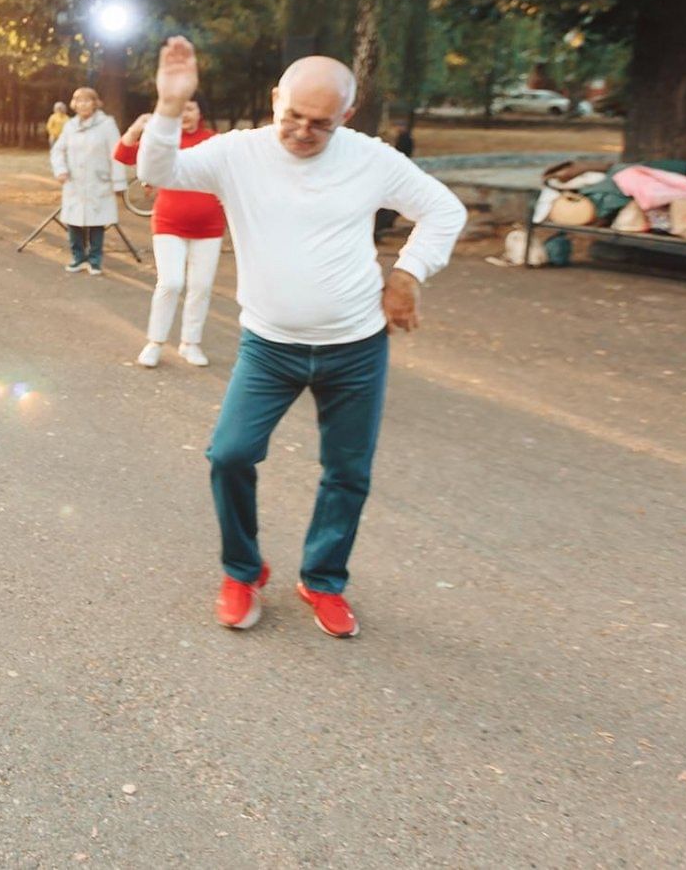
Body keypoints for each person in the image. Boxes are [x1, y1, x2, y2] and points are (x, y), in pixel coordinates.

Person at [138, 40, 466, 639]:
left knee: (348, 471)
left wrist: (407, 273)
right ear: (275, 101)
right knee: (229, 454)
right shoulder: (238, 153)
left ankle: (323, 580)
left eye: (320, 122)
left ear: (345, 116)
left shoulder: (370, 158)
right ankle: (242, 570)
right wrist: (167, 105)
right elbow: (157, 172)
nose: (302, 132)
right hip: (270, 345)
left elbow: (444, 210)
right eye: (292, 116)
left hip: (356, 348)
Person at [116, 99, 226, 367]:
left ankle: (191, 342)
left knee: (200, 286)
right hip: (169, 223)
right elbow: (124, 155)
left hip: (209, 227)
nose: (185, 114)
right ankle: (155, 342)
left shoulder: (214, 141)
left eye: (190, 109)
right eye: (179, 110)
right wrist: (137, 127)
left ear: (200, 112)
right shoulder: (163, 142)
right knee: (171, 282)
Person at [50, 86, 123, 276]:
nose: (83, 104)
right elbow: (58, 151)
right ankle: (78, 258)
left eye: (87, 100)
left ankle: (95, 260)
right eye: (79, 100)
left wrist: (119, 183)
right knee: (73, 222)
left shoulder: (107, 124)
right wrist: (61, 170)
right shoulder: (70, 126)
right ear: (74, 104)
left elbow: (117, 153)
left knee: (97, 222)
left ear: (95, 103)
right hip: (74, 182)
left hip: (99, 182)